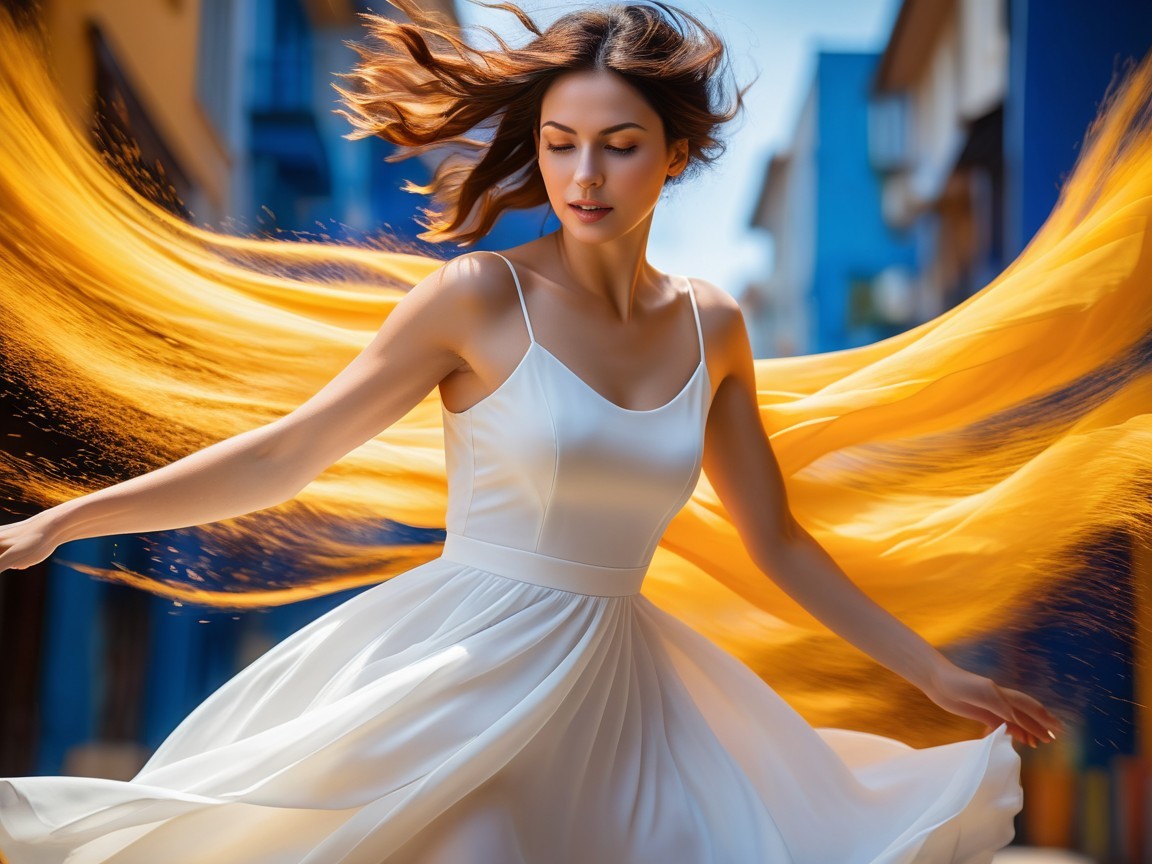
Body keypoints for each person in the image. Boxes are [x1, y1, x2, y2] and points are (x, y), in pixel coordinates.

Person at [0, 1, 1068, 861]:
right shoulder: (475, 299)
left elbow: (777, 541)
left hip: (628, 702)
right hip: (460, 674)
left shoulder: (714, 328)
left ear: (677, 156)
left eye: (619, 145)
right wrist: (71, 520)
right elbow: (293, 451)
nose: (584, 177)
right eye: (560, 145)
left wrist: (936, 675)